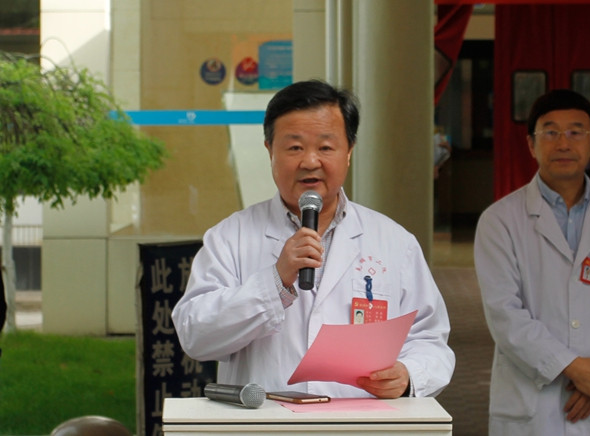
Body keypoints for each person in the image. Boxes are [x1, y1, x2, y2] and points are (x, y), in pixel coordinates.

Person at [172, 79, 455, 399]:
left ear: (349, 152)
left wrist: (408, 375)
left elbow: (430, 339)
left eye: (325, 147)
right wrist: (274, 282)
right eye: (294, 147)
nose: (309, 161)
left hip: (361, 420)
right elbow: (195, 336)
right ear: (270, 150)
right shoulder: (229, 237)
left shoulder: (394, 242)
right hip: (266, 420)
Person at [474, 89, 590, 435]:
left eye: (576, 132)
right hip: (532, 401)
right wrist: (574, 369)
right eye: (551, 132)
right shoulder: (500, 220)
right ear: (531, 144)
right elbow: (504, 313)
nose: (563, 143)